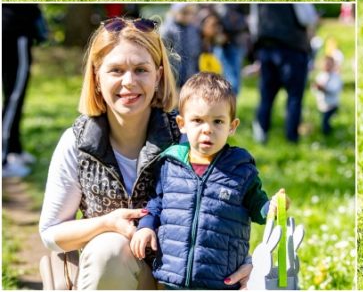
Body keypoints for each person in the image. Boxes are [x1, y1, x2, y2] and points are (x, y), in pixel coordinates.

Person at [38, 18, 255, 289]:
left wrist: (246, 262)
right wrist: (107, 223)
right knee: (111, 248)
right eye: (116, 70)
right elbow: (51, 233)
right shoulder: (77, 143)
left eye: (141, 69)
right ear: (96, 77)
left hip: (179, 279)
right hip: (112, 275)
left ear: (158, 76)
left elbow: (226, 206)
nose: (129, 82)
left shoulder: (187, 136)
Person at [130, 73, 278, 289]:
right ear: (182, 123)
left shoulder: (240, 169)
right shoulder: (171, 164)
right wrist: (145, 227)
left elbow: (258, 206)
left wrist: (271, 208)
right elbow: (156, 203)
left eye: (218, 121)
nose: (207, 129)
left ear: (232, 126)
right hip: (172, 277)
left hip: (220, 278)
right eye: (197, 120)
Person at [251, 4, 317, 144]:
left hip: (267, 47)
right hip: (292, 48)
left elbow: (254, 21)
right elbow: (307, 17)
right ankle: (291, 138)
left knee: (266, 96)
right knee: (294, 96)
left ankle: (261, 134)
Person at [2, 5, 45, 179]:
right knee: (14, 98)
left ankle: (14, 149)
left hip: (11, 28)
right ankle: (3, 161)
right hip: (14, 31)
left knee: (14, 98)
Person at [313, 46, 343, 136]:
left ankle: (327, 134)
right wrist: (316, 87)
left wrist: (325, 89)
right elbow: (315, 89)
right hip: (322, 104)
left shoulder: (335, 77)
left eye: (329, 64)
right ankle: (327, 132)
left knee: (325, 121)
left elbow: (335, 89)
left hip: (331, 104)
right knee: (323, 119)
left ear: (333, 65)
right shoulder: (320, 76)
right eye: (325, 64)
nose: (327, 66)